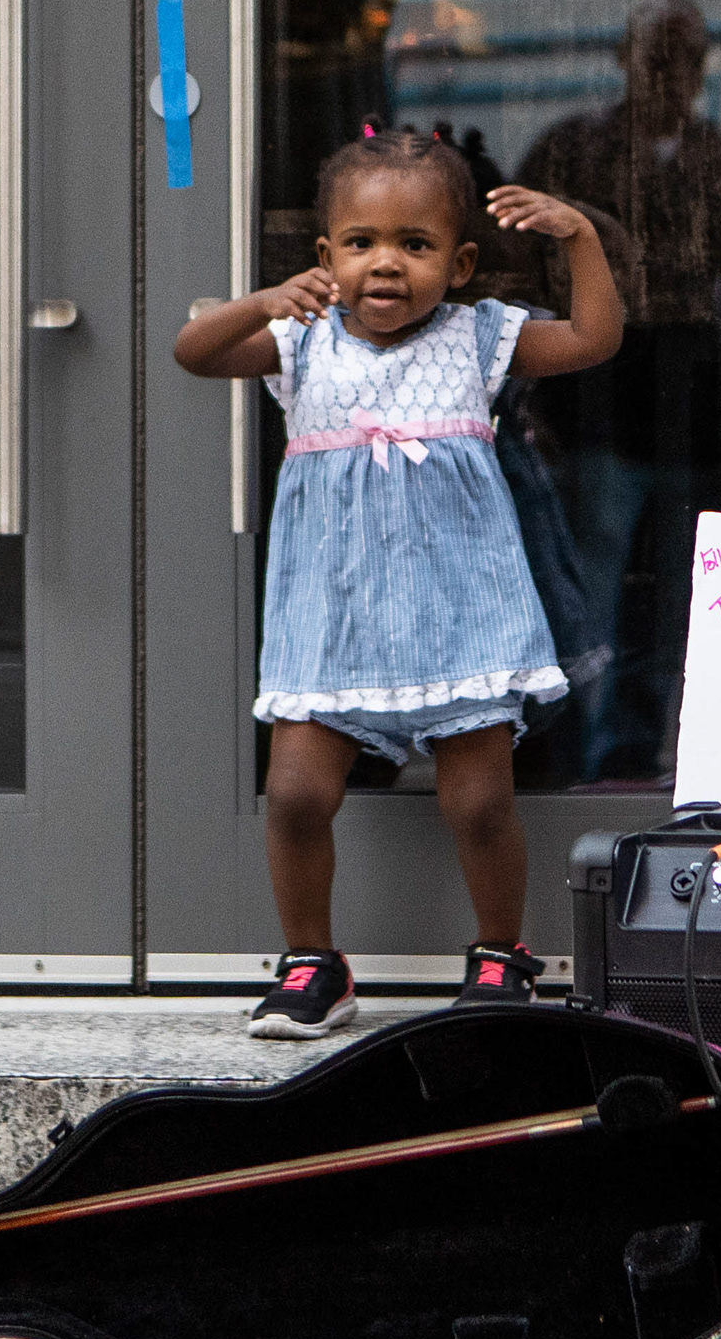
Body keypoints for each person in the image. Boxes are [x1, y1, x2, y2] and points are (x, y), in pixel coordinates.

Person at [172, 132, 623, 1036]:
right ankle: (313, 963)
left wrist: (579, 240)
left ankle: (502, 954)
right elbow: (194, 352)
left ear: (458, 265)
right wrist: (261, 301)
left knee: (479, 799)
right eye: (361, 243)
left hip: (461, 612)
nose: (386, 265)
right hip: (332, 614)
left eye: (415, 246)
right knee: (298, 793)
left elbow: (592, 339)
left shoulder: (478, 339)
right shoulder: (299, 342)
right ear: (325, 258)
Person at [516, 0, 721, 782]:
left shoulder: (719, 160)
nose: (666, 73)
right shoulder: (574, 152)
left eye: (683, 57)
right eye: (653, 54)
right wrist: (525, 401)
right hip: (593, 409)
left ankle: (637, 755)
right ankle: (573, 765)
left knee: (675, 602)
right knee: (589, 594)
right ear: (623, 59)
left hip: (688, 415)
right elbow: (516, 275)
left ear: (699, 69)